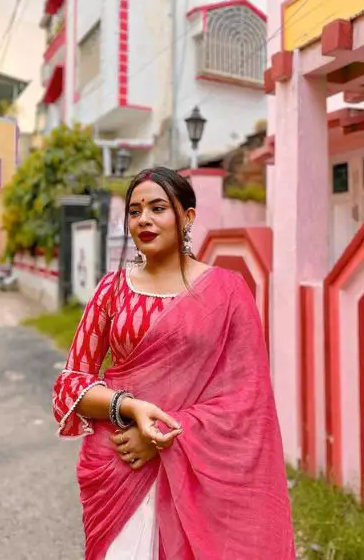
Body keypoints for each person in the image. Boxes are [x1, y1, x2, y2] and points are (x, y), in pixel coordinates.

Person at [52, 166, 296, 560]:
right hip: (120, 464)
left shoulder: (227, 291)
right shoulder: (112, 291)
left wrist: (166, 438)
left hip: (199, 475)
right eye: (135, 211)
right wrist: (128, 407)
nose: (144, 219)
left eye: (157, 207)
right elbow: (71, 383)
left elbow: (247, 400)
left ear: (187, 217)